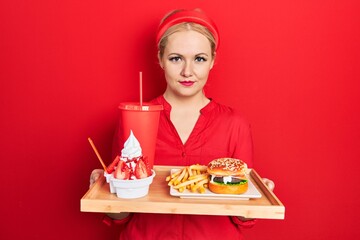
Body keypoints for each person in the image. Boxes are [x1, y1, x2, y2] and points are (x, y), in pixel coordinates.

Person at [90, 9, 275, 240]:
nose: (188, 71)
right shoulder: (134, 119)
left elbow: (242, 216)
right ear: (160, 59)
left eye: (199, 58)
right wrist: (108, 189)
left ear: (212, 61)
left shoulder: (235, 124)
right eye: (176, 58)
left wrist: (258, 195)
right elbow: (122, 215)